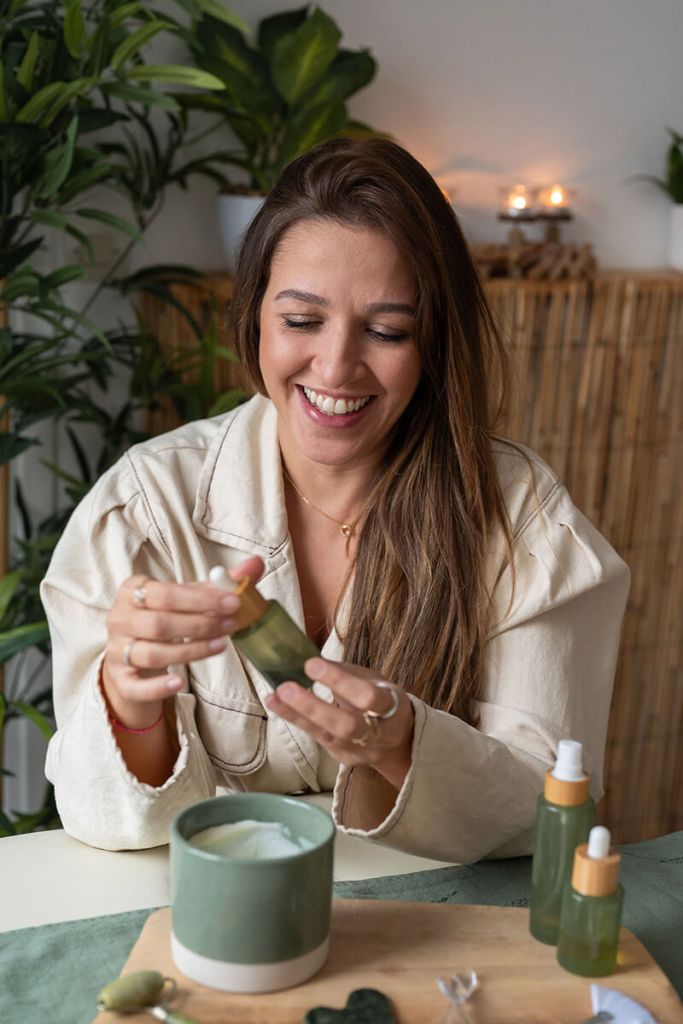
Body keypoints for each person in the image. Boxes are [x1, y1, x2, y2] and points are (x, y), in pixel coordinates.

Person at [41, 137, 629, 857]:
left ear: (434, 344)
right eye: (300, 320)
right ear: (253, 313)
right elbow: (101, 820)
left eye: (386, 331)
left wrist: (400, 743)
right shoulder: (145, 506)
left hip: (433, 917)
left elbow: (548, 807)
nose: (336, 367)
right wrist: (130, 698)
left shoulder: (521, 520)